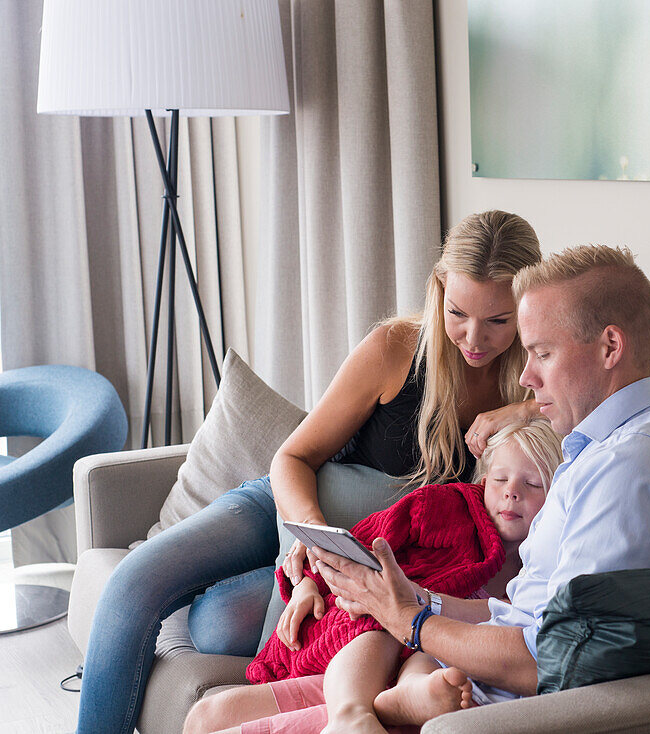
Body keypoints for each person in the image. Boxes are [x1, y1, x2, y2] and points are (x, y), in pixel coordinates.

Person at [75, 210, 548, 734]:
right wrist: (313, 536)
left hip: (363, 551)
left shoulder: (535, 379)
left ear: (527, 306)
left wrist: (524, 411)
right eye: (458, 311)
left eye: (498, 320)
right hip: (289, 510)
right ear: (439, 289)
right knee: (132, 584)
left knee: (219, 626)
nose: (473, 337)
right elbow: (291, 458)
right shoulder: (395, 348)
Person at [310, 244, 650, 728]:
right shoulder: (597, 450)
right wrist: (418, 599)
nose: (526, 377)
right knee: (217, 713)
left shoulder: (631, 472)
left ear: (611, 347)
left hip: (490, 708)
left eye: (543, 353)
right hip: (468, 680)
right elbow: (524, 613)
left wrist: (411, 622)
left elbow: (548, 657)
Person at [183, 419, 563, 734]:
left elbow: (513, 625)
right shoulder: (448, 507)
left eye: (532, 485)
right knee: (388, 610)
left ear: (560, 496)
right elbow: (365, 537)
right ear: (483, 482)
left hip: (423, 658)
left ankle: (408, 697)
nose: (512, 493)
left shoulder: (543, 567)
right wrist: (309, 581)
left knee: (415, 636)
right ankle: (352, 713)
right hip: (364, 630)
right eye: (500, 481)